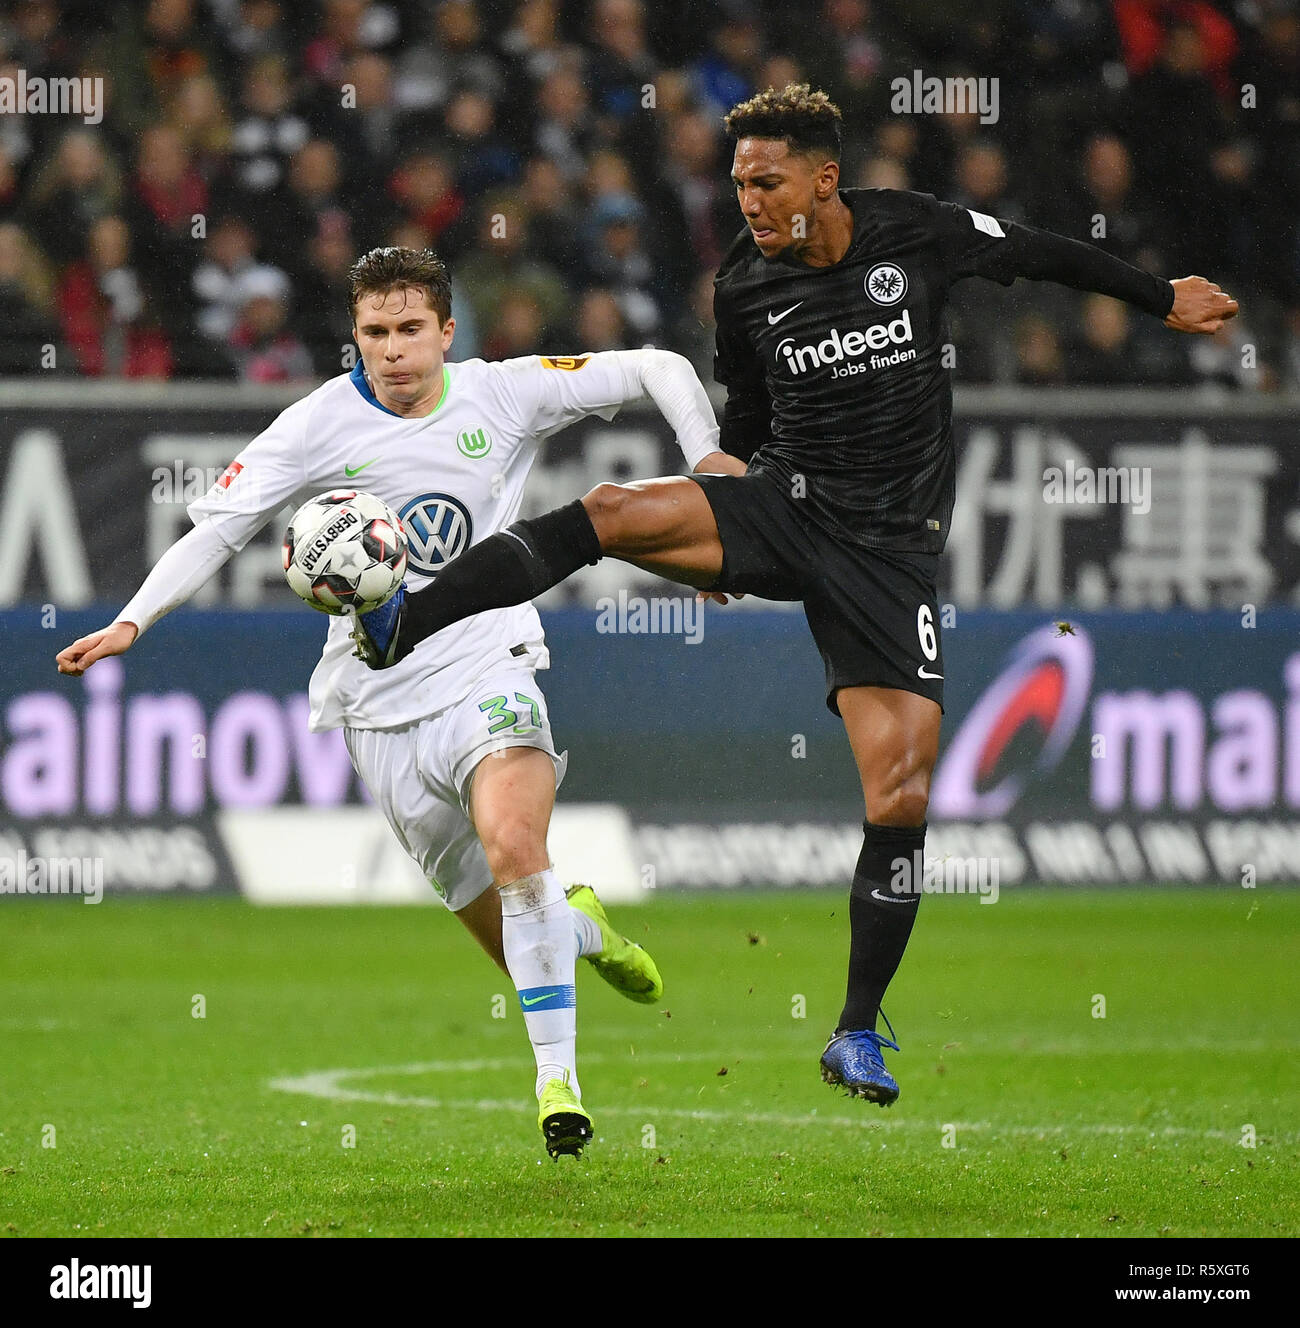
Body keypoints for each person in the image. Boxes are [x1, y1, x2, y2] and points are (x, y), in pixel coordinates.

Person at [347, 85, 1239, 1107]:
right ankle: (403, 618)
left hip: (889, 555)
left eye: (767, 183)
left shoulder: (916, 231)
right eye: (737, 185)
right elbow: (750, 421)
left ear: (824, 178)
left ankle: (855, 1030)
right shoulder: (743, 287)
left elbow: (1041, 250)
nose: (750, 204)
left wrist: (1159, 294)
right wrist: (720, 530)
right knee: (607, 507)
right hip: (784, 506)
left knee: (900, 795)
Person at [55, 245, 739, 1157]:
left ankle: (557, 1086)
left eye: (412, 329)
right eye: (375, 333)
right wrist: (132, 623)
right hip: (377, 697)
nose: (394, 350)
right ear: (356, 337)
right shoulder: (317, 424)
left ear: (447, 332)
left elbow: (660, 365)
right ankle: (581, 931)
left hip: (488, 658)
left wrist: (706, 463)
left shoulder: (502, 392)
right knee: (511, 928)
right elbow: (221, 531)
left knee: (514, 847)